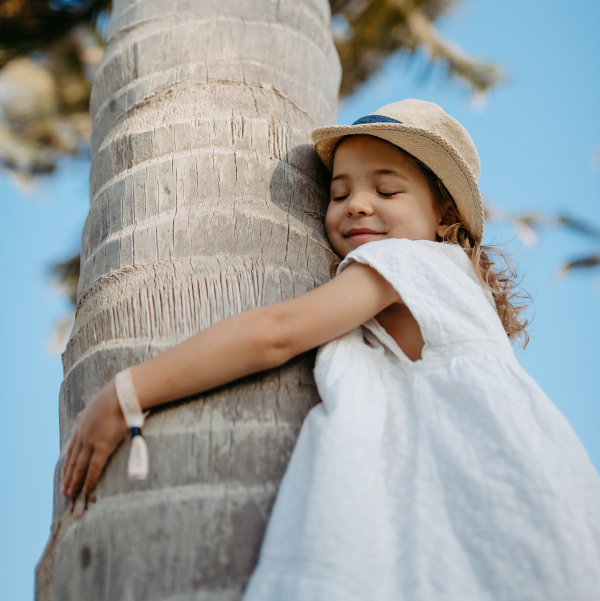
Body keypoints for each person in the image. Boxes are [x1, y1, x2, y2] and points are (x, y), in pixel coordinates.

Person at [61, 99, 600, 601]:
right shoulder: (451, 288)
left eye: (387, 192)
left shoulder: (411, 261)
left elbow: (279, 331)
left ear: (443, 216)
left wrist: (128, 392)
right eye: (339, 194)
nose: (358, 204)